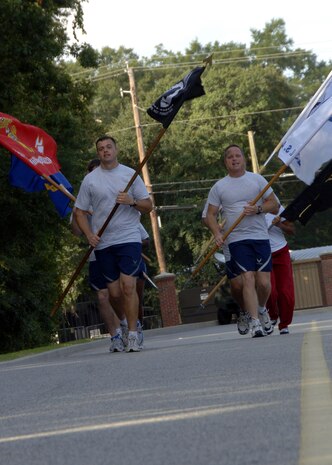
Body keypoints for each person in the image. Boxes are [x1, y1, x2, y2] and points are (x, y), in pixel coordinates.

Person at [74, 136, 153, 352]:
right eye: (101, 148)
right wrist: (89, 234)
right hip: (103, 242)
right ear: (98, 153)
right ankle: (126, 323)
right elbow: (79, 212)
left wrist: (132, 201)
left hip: (128, 238)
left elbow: (149, 205)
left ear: (116, 149)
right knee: (115, 293)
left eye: (109, 147)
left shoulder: (130, 175)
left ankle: (134, 333)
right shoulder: (90, 180)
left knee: (129, 286)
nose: (105, 151)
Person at [204, 144, 279, 338]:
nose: (234, 159)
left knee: (264, 283)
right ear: (225, 162)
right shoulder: (219, 186)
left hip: (260, 236)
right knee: (247, 278)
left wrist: (258, 209)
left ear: (244, 159)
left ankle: (261, 309)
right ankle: (254, 322)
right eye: (230, 156)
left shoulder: (257, 180)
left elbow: (274, 204)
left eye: (238, 155)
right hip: (237, 239)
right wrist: (217, 233)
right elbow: (210, 215)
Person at [71, 158, 124, 353]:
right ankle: (115, 336)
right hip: (97, 255)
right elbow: (76, 231)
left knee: (117, 295)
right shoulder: (85, 196)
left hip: (116, 248)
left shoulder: (112, 194)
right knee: (103, 296)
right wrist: (80, 213)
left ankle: (126, 327)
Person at [265, 205, 296, 334]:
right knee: (269, 289)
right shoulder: (250, 208)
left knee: (285, 291)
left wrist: (280, 225)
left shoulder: (277, 207)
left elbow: (292, 230)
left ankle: (284, 324)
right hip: (263, 253)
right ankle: (272, 316)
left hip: (281, 251)